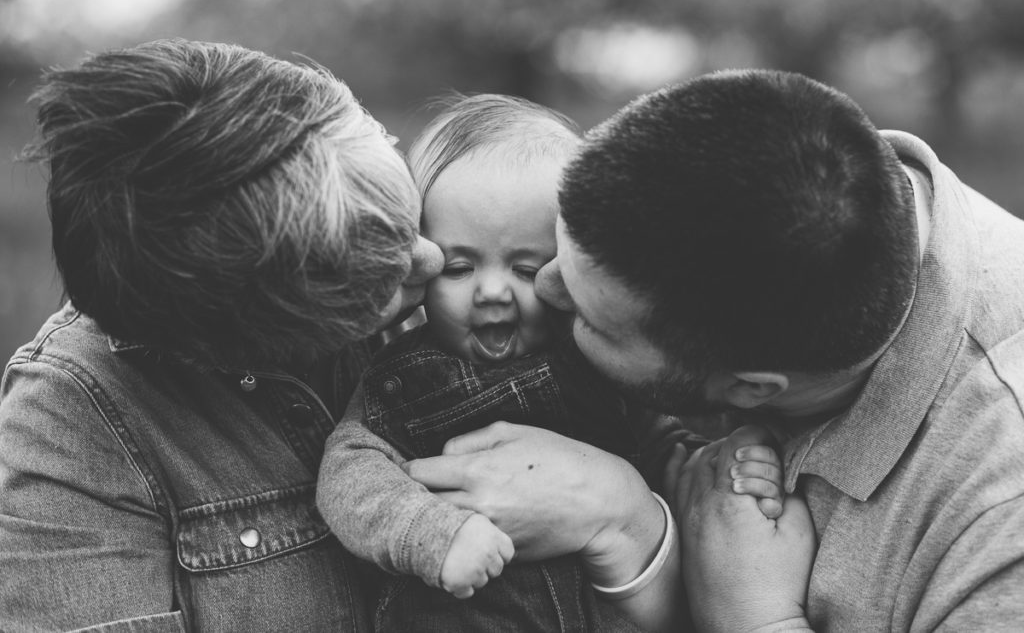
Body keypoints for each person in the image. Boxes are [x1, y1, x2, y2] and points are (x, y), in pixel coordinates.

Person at [404, 69, 1024, 631]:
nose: (540, 289)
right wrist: (627, 520)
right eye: (554, 250)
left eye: (589, 316)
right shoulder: (739, 176)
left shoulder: (997, 519)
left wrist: (755, 617)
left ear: (750, 390)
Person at [0, 38, 451, 632]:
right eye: (378, 283)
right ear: (243, 340)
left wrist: (614, 511)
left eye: (408, 219)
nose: (435, 259)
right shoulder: (70, 428)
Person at [316, 93, 786, 632]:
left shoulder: (600, 359)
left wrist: (720, 470)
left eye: (525, 267)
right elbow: (350, 476)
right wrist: (431, 534)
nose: (492, 292)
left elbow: (660, 450)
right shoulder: (400, 379)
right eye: (460, 267)